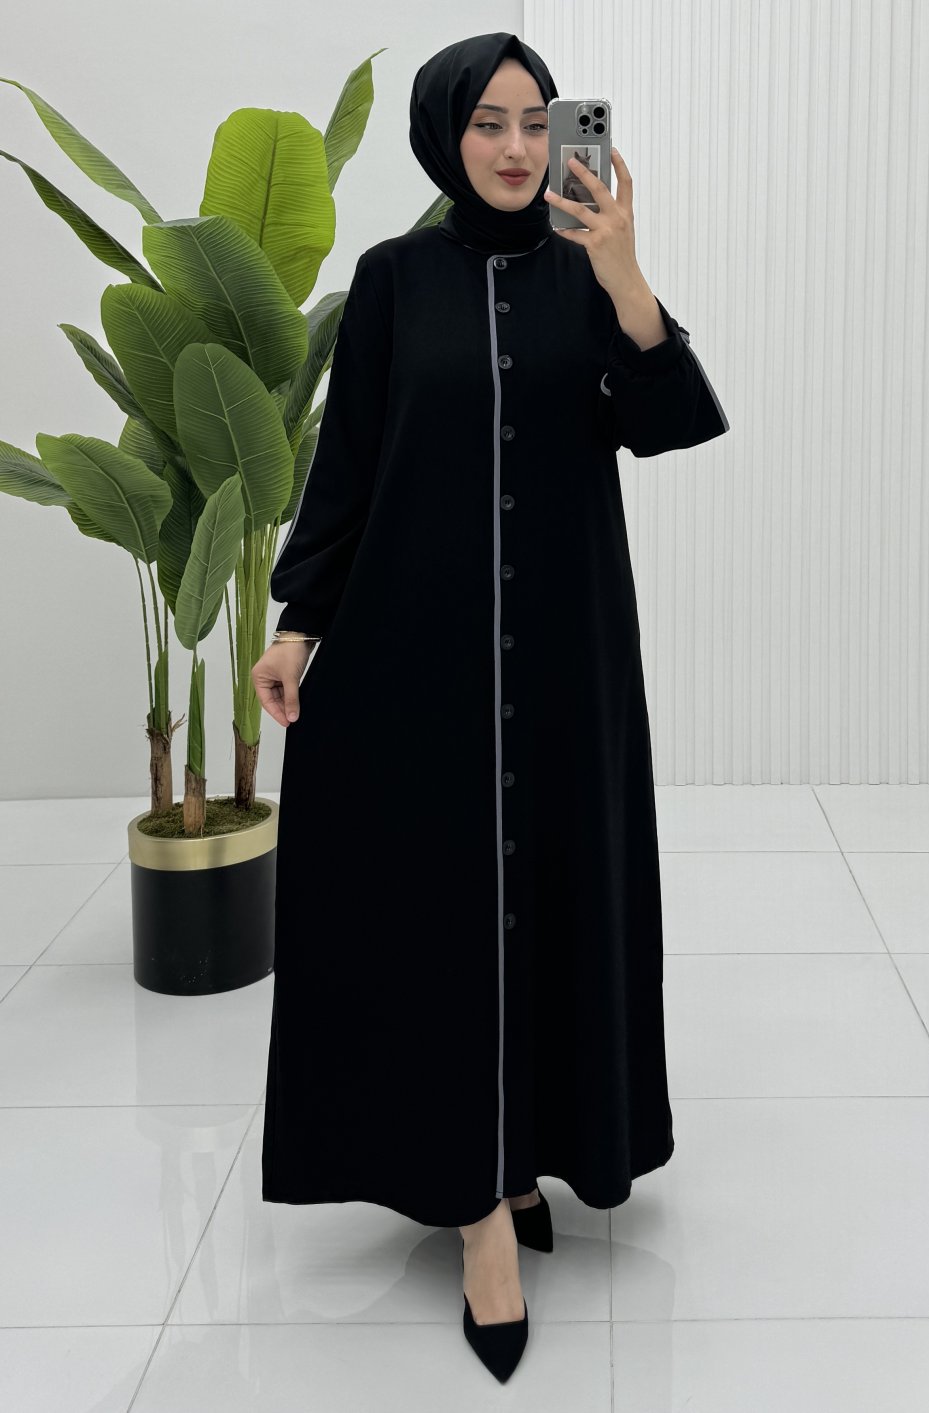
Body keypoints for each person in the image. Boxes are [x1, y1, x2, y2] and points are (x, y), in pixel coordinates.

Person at [250, 31, 729, 1384]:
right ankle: (479, 1221)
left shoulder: (589, 274)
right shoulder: (394, 280)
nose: (517, 148)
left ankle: (518, 1157)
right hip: (416, 657)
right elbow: (348, 464)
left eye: (536, 121)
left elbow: (672, 422)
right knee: (436, 919)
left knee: (553, 898)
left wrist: (626, 274)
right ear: (443, 135)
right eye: (488, 123)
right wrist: (298, 620)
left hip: (566, 656)